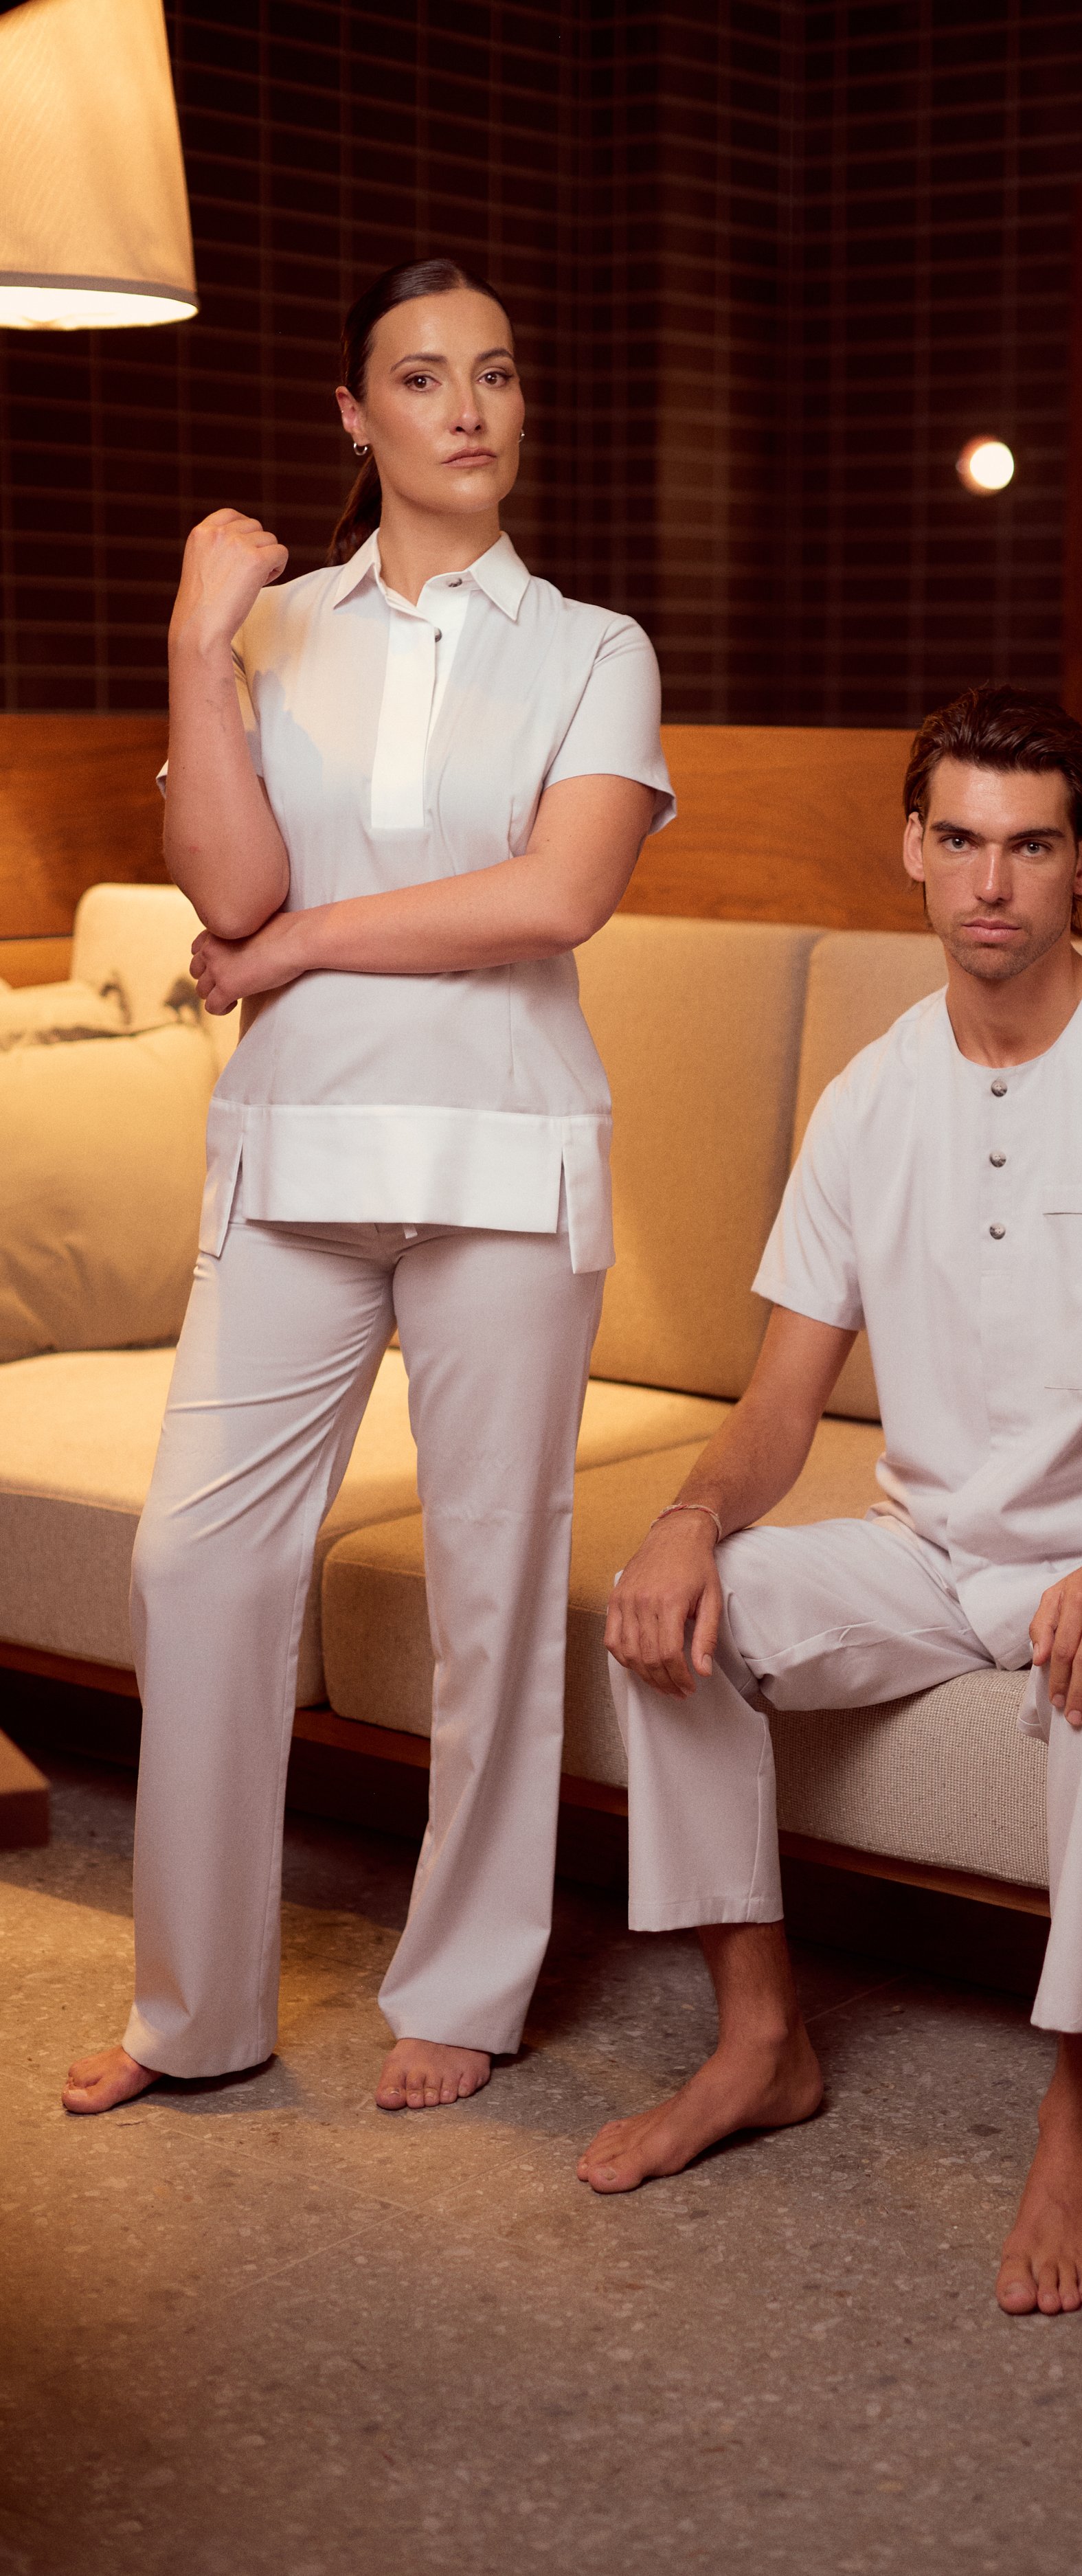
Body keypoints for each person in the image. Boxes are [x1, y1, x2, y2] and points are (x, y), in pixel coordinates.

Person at [585, 686, 1082, 2316]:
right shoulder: (866, 1100)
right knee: (676, 1615)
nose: (991, 882)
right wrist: (689, 1521)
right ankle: (759, 2041)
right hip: (932, 1550)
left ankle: (1081, 2115)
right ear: (913, 850)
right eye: (962, 841)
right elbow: (778, 1407)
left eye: (1030, 847)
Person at [63, 255, 673, 2119]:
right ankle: (196, 2009)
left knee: (493, 1585)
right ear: (354, 413)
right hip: (298, 1153)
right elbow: (229, 894)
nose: (468, 409)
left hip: (505, 1159)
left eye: (496, 372)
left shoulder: (593, 646)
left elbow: (554, 896)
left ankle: (467, 1983)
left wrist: (311, 939)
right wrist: (196, 640)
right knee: (195, 1561)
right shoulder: (268, 631)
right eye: (421, 377)